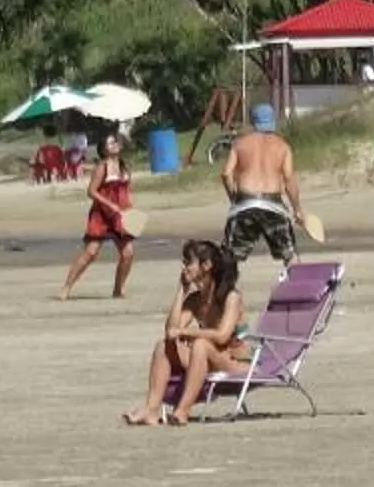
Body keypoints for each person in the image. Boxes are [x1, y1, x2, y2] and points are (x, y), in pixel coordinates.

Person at [125, 240, 246, 427]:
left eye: (189, 261)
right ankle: (151, 410)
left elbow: (222, 336)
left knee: (201, 345)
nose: (184, 267)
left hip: (234, 364)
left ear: (206, 266)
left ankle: (183, 411)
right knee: (163, 346)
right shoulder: (196, 299)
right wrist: (182, 290)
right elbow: (171, 331)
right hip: (205, 359)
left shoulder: (231, 297)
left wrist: (186, 332)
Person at [55, 132, 138, 298]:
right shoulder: (102, 166)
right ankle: (66, 288)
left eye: (116, 142)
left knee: (128, 253)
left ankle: (118, 289)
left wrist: (131, 209)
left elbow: (127, 190)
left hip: (121, 215)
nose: (115, 144)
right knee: (91, 252)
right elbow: (91, 191)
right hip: (102, 214)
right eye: (110, 142)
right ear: (104, 149)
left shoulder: (124, 166)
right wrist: (110, 204)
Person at [220, 104, 305, 265]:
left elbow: (226, 173)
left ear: (253, 122)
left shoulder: (239, 144)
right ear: (272, 121)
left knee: (228, 260)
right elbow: (289, 180)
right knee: (290, 257)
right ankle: (297, 288)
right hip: (273, 204)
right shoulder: (282, 146)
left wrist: (234, 198)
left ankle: (223, 289)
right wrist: (297, 210)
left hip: (245, 202)